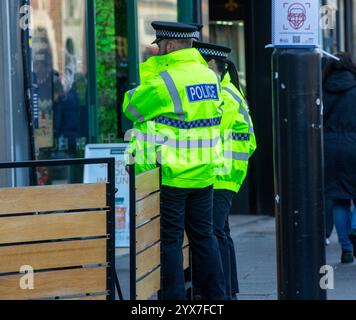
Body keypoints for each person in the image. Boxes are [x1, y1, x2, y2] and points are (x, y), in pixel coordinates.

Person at [123, 21, 226, 300]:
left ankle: (173, 301)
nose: (157, 50)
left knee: (169, 241)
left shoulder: (165, 80)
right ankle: (217, 297)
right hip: (204, 173)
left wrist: (154, 67)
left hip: (173, 174)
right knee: (204, 238)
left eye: (159, 46)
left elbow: (131, 107)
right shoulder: (209, 76)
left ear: (168, 45)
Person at [194, 41, 256, 299]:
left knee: (215, 233)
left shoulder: (225, 96)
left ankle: (221, 294)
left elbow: (211, 131)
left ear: (210, 65)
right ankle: (229, 291)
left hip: (221, 174)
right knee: (222, 232)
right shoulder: (228, 91)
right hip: (226, 173)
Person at [323, 52, 356, 263]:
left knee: (339, 199)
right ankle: (355, 227)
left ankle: (346, 249)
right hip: (354, 145)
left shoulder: (322, 87)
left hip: (330, 148)